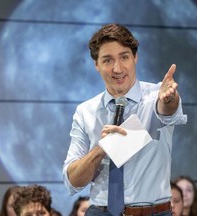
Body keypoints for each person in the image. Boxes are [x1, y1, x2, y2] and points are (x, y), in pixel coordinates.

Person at [63, 23, 187, 216]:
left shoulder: (156, 97)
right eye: (107, 60)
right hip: (100, 211)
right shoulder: (85, 111)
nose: (117, 68)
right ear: (96, 64)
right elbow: (73, 181)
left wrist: (170, 98)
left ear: (135, 58)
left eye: (124, 57)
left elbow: (167, 110)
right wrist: (101, 150)